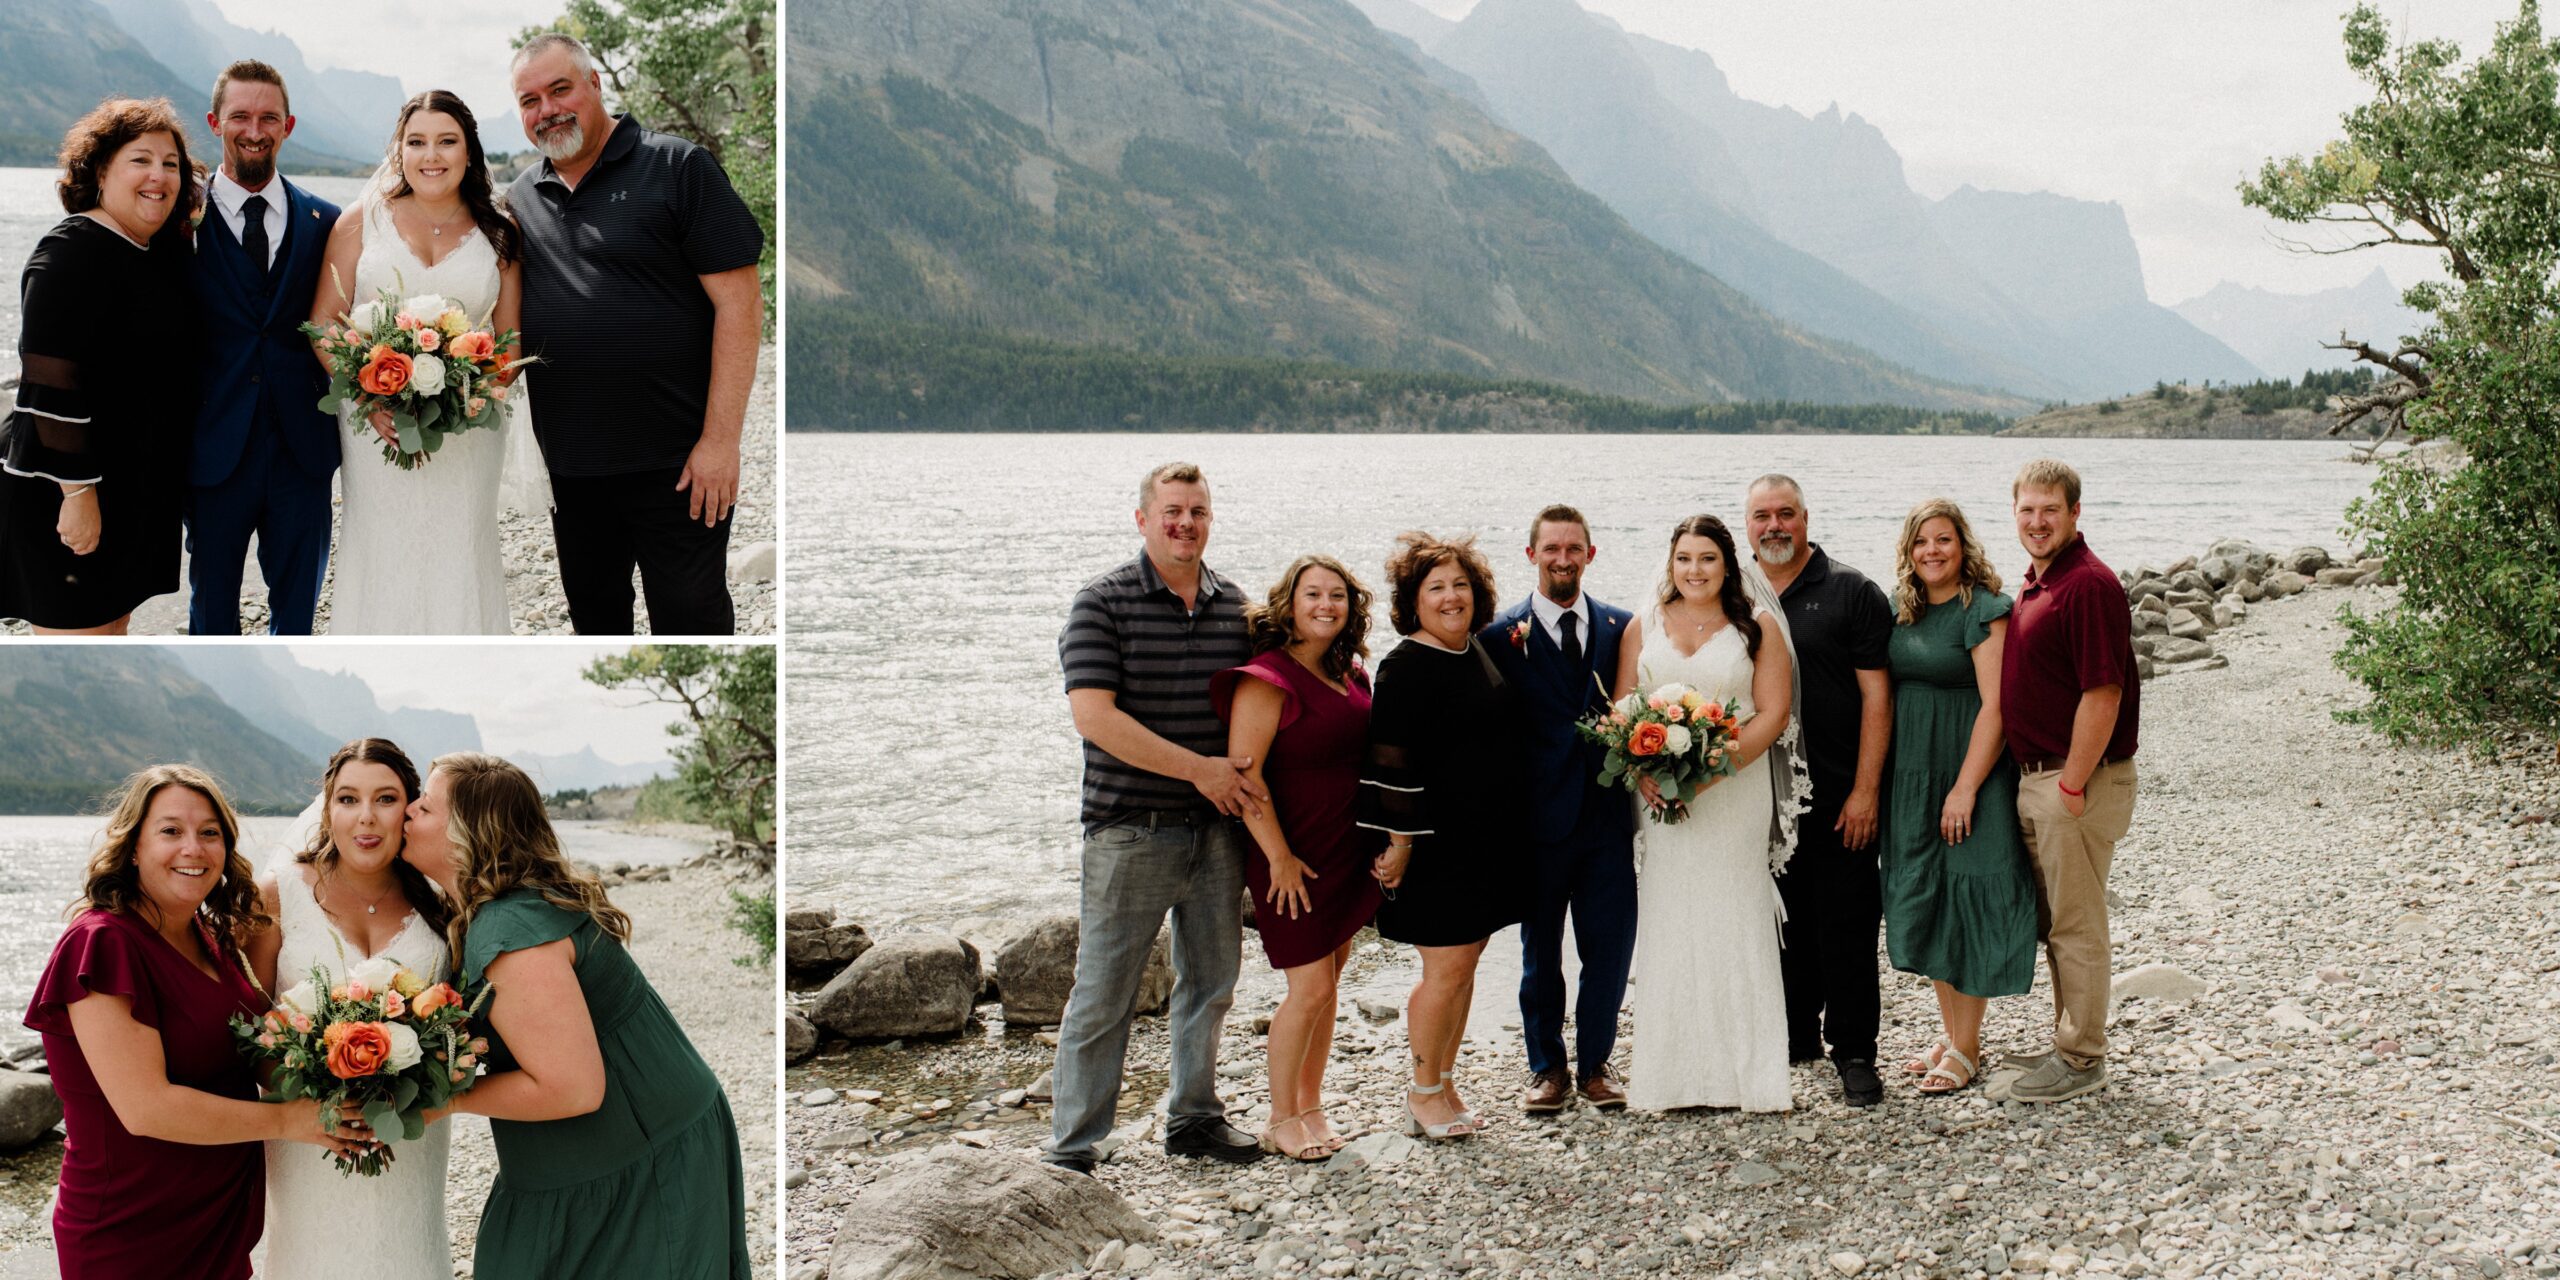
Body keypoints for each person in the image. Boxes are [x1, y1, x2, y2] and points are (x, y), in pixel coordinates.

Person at [402, 752, 750, 1276]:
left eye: (424, 807)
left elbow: (572, 1088)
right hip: (602, 1150)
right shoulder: (491, 912)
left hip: (643, 1154)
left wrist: (442, 1102)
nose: (408, 811)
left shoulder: (511, 933)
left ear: (465, 834)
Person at [22, 766, 369, 1279]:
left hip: (219, 1218)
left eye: (210, 833)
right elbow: (145, 1108)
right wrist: (292, 1120)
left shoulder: (212, 939)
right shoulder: (103, 942)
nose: (194, 848)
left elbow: (251, 1050)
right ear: (133, 845)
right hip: (132, 1230)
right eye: (170, 831)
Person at [506, 33, 763, 635]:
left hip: (677, 467)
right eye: (529, 100)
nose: (547, 110)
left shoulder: (678, 166)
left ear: (595, 84)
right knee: (595, 628)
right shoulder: (521, 197)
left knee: (692, 624)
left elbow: (742, 307)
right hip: (570, 472)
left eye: (560, 89)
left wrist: (721, 443)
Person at [1048, 462, 1265, 1172]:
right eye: (1172, 511)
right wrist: (1201, 770)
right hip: (1128, 831)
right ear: (1143, 519)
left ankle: (1194, 1118)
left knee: (1211, 983)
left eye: (1197, 512)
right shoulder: (1101, 603)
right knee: (1104, 991)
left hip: (1217, 834)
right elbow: (1096, 718)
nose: (1185, 524)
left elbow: (1269, 694)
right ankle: (1075, 1145)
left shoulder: (1235, 606)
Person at [310, 90, 532, 634]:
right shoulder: (362, 222)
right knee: (382, 545)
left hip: (470, 429)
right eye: (417, 142)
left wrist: (469, 394)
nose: (431, 155)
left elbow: (508, 338)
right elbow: (324, 323)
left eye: (446, 142)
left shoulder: (500, 230)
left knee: (462, 548)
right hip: (375, 425)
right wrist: (369, 395)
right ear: (400, 151)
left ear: (469, 152)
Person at [245, 739, 455, 1278]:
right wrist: (323, 1089)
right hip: (310, 1135)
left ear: (409, 809)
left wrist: (418, 1074)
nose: (366, 818)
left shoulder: (443, 899)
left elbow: (463, 1021)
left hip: (412, 1133)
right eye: (347, 799)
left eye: (385, 799)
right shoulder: (277, 894)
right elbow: (252, 1035)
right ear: (327, 807)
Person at [1610, 515, 1796, 1112]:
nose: (1694, 570)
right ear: (1671, 562)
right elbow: (1620, 707)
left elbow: (1772, 713)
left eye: (1707, 559)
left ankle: (1750, 1077)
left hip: (1735, 791)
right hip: (1662, 798)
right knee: (1671, 915)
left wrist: (1711, 772)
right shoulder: (1644, 625)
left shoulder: (1757, 628)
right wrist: (1645, 771)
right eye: (1684, 558)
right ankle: (1671, 1077)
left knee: (1736, 914)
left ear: (1728, 565)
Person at [0, 99, 200, 634]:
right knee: (74, 641)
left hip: (134, 487)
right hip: (69, 487)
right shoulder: (70, 252)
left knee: (112, 631)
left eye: (172, 164)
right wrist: (77, 495)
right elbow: (49, 384)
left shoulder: (153, 252)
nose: (159, 175)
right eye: (141, 160)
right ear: (102, 169)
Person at [1211, 554, 1382, 1160]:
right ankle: (1281, 1117)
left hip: (1346, 849)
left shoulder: (1352, 673)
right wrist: (1279, 858)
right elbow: (1246, 780)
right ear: (1288, 603)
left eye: (1337, 596)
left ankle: (1311, 1105)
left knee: (1329, 985)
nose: (1326, 606)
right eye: (1313, 595)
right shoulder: (1265, 678)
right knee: (1307, 989)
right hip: (1292, 857)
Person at [1359, 533, 1530, 1140]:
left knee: (1466, 965)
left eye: (1460, 584)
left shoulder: (1473, 651)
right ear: (1413, 600)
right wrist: (1400, 846)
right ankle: (1421, 1092)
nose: (1451, 596)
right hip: (1434, 849)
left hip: (1483, 840)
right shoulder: (1406, 665)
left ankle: (1446, 1080)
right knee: (1444, 972)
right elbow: (1391, 764)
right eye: (1436, 588)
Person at [1877, 500, 2039, 1096]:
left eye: (1943, 540)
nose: (1932, 552)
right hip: (1911, 775)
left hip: (1967, 772)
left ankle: (1968, 1047)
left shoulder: (1984, 610)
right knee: (1931, 895)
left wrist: (1965, 788)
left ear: (1962, 544)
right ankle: (1952, 1034)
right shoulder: (1900, 608)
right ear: (1908, 549)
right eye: (1921, 542)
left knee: (1968, 895)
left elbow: (1996, 705)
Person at [1744, 473, 1894, 1107]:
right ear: (1745, 524)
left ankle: (1855, 1052)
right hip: (1756, 797)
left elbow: (1877, 697)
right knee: (1779, 923)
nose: (1774, 526)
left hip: (1837, 792)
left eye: (1785, 514)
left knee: (1848, 925)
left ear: (1806, 518)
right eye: (1761, 516)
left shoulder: (1850, 591)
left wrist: (1866, 791)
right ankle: (1794, 1035)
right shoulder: (1729, 590)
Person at [1482, 504, 1637, 1114]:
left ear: (1591, 555)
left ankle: (1598, 1062)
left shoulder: (1621, 627)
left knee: (1609, 946)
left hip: (1605, 820)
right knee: (1539, 953)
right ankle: (1547, 1067)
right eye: (1552, 549)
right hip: (1537, 823)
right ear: (1531, 555)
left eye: (1574, 548)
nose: (1563, 558)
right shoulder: (1497, 636)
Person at [1997, 459, 2140, 1104]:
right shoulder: (2039, 582)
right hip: (2042, 779)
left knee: (2077, 925)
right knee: (2057, 921)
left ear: (2074, 513)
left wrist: (2072, 786)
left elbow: (2103, 693)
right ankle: (2068, 1038)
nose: (2037, 521)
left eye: (2049, 510)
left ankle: (2082, 1059)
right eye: (2027, 510)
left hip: (2072, 781)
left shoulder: (2088, 585)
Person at [186, 60, 344, 636]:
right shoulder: (178, 220)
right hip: (212, 454)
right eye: (241, 116)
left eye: (268, 117)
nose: (255, 129)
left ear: (288, 125)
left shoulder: (326, 220)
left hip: (303, 455)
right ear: (215, 122)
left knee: (299, 617)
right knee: (211, 616)